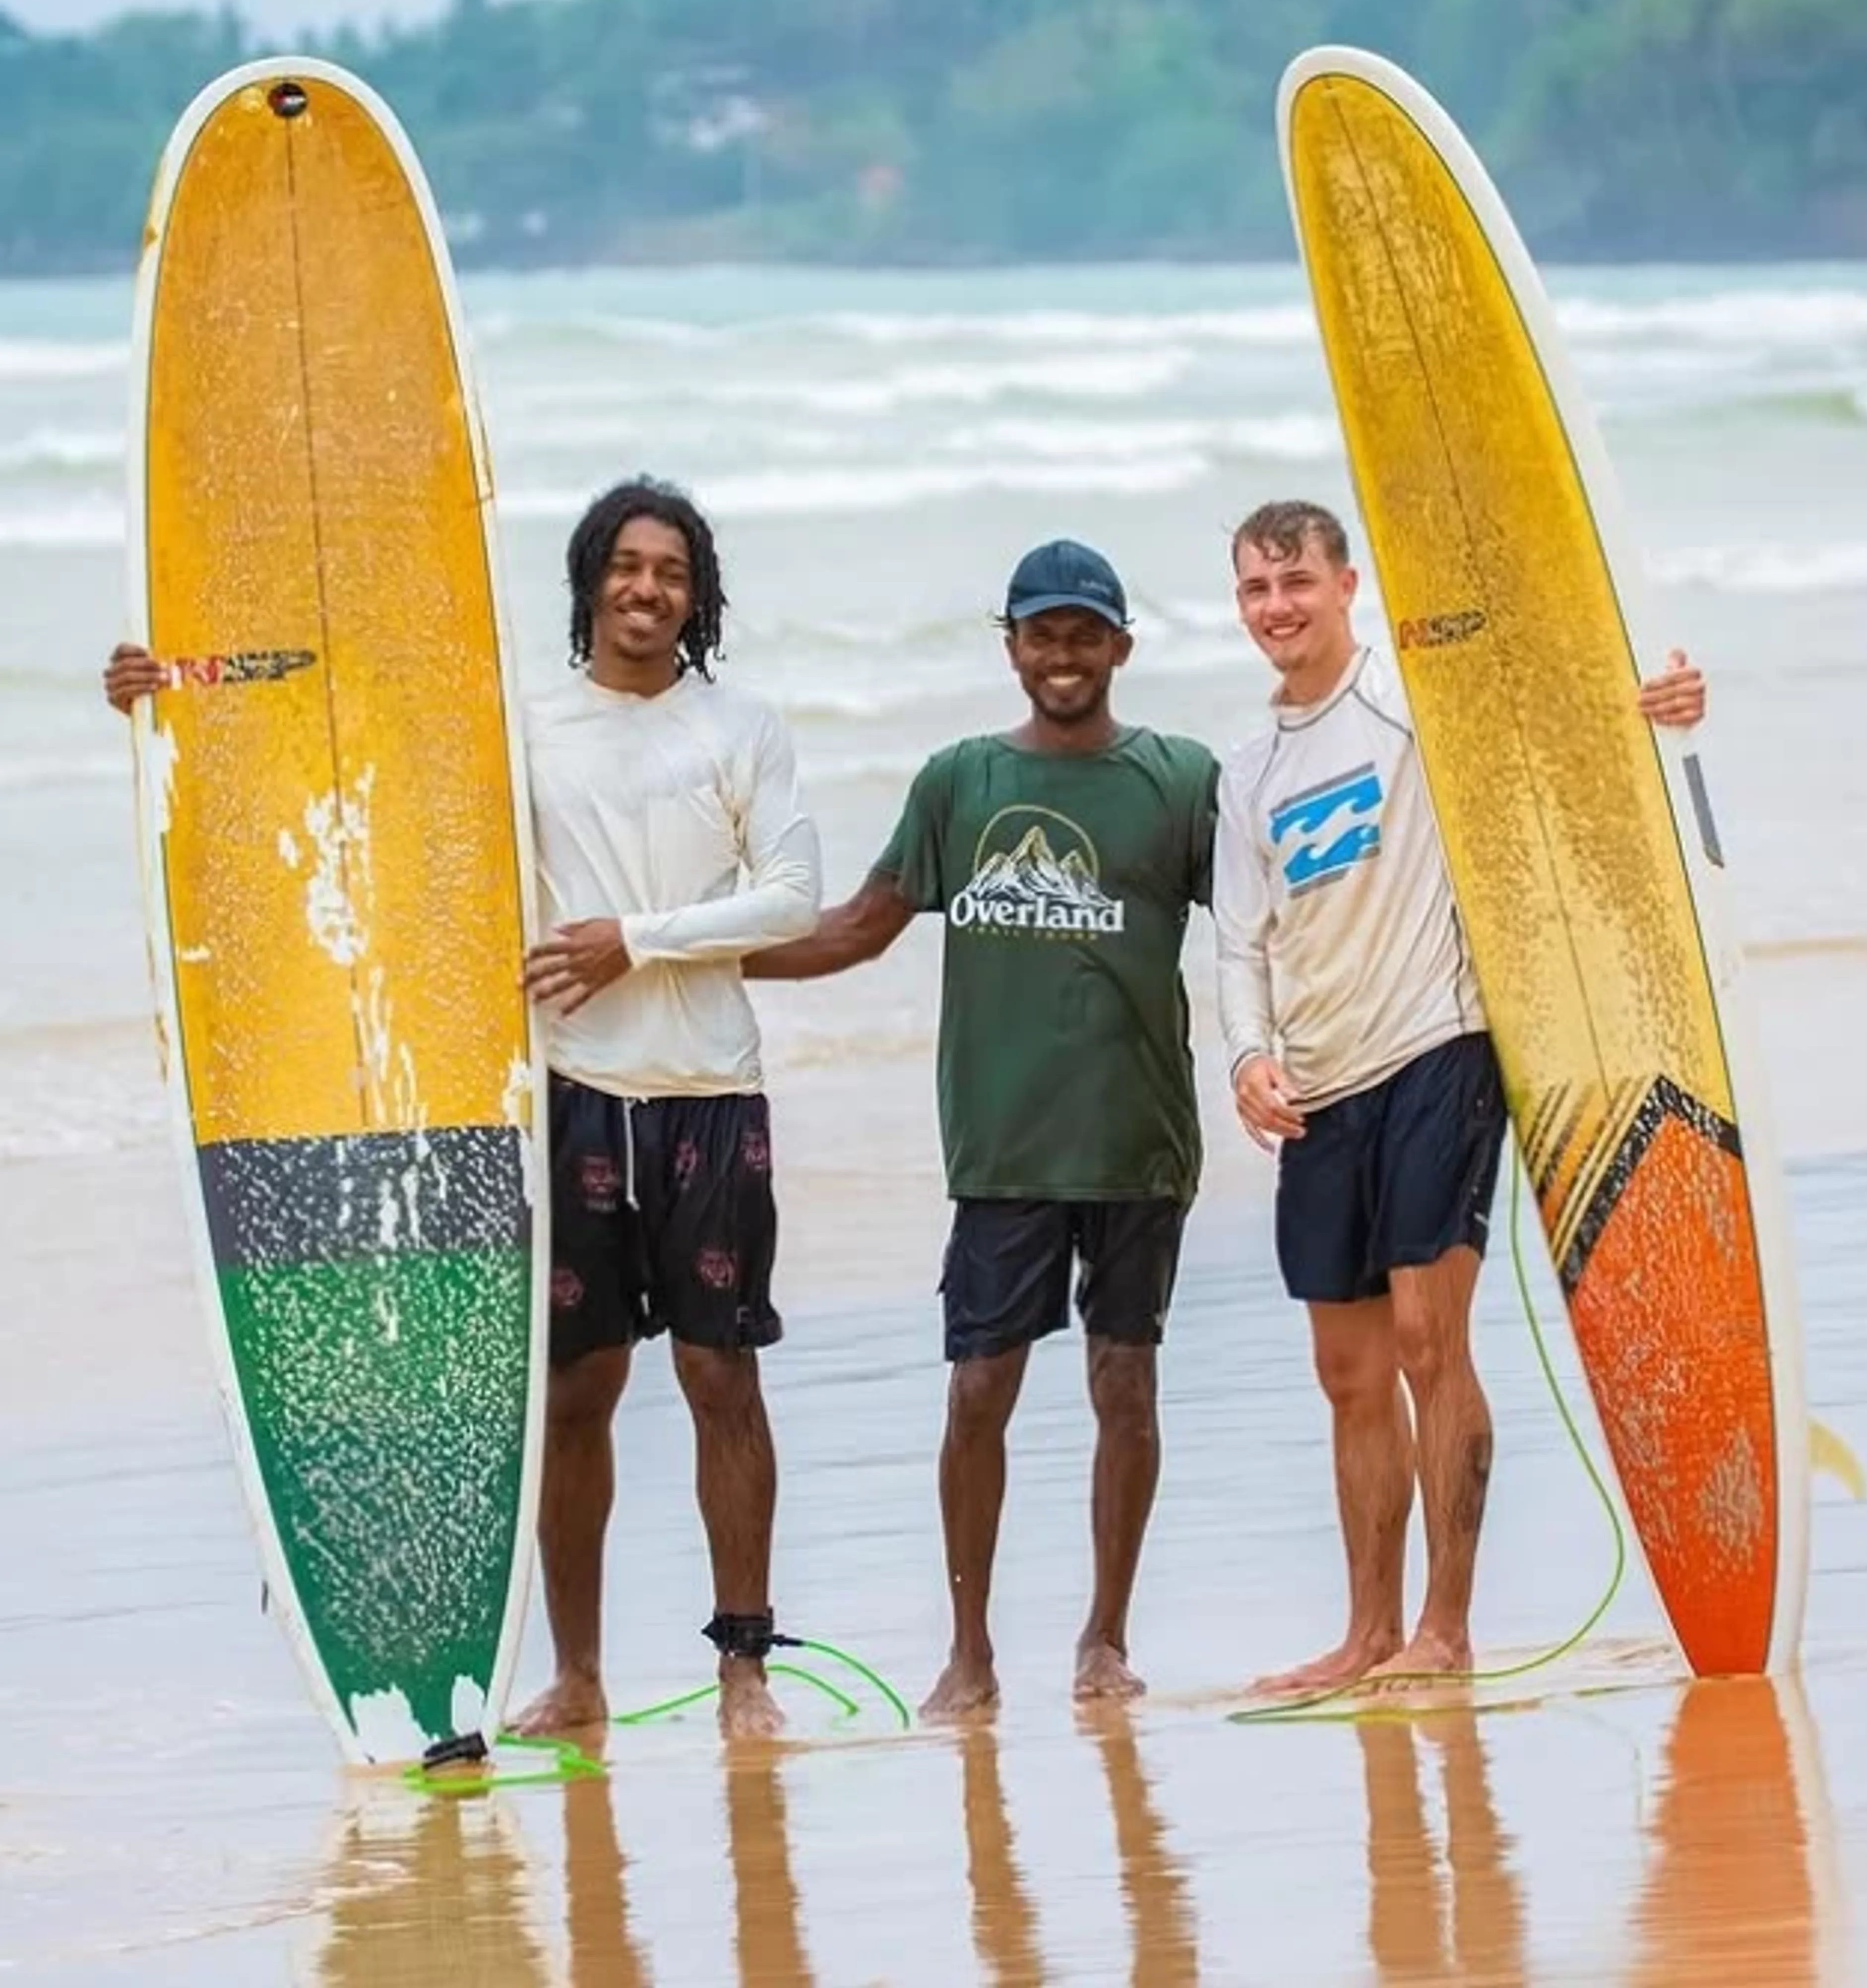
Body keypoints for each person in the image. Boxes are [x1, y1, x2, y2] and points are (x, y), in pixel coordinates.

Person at [104, 475, 820, 1738]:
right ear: (590, 576)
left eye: (673, 572)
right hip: (568, 1096)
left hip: (710, 1087)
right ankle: (582, 1675)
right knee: (576, 1391)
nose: (648, 589)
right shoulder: (521, 716)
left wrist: (632, 940)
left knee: (722, 1376)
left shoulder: (742, 727)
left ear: (698, 596)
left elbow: (792, 899)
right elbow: (347, 709)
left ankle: (743, 1667)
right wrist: (179, 680)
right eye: (627, 564)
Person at [1212, 498, 1706, 1696]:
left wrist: (1661, 700)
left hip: (1438, 1045)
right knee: (1348, 1373)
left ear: (1348, 584)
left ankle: (1447, 1626)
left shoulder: (1414, 707)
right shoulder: (1249, 770)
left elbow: (1555, 716)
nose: (1277, 606)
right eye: (1255, 589)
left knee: (1433, 1340)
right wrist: (1246, 1057)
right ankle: (1367, 1631)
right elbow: (1241, 940)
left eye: (1297, 581)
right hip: (1322, 1084)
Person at [747, 539, 1217, 1719]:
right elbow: (858, 927)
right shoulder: (960, 781)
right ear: (1010, 644)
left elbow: (1279, 915)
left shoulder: (1179, 778)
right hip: (1003, 1148)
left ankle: (1105, 1639)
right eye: (1041, 633)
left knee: (1127, 1385)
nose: (1062, 655)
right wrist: (681, 960)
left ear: (1122, 644)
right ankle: (971, 1650)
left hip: (1138, 1137)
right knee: (977, 1393)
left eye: (1084, 632)